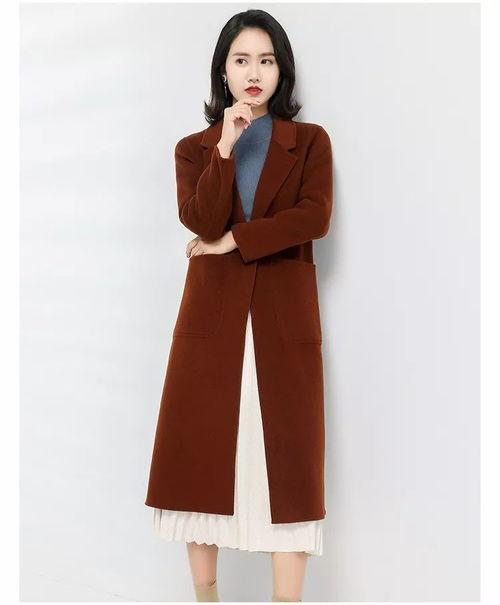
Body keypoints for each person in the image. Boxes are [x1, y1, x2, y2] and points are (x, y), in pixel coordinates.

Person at [145, 8, 334, 602]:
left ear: (282, 70)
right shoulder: (194, 149)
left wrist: (235, 240)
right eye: (242, 59)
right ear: (223, 71)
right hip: (211, 322)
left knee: (290, 470)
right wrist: (225, 147)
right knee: (198, 464)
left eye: (267, 60)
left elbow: (314, 217)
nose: (255, 73)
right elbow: (200, 219)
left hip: (282, 319)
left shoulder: (309, 141)